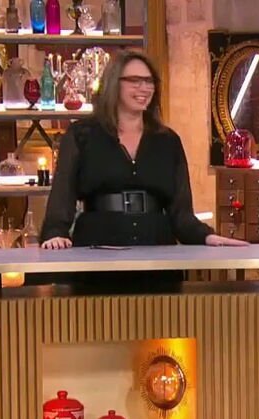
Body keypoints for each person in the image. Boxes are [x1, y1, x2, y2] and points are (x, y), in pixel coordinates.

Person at [39, 50, 246, 287]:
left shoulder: (167, 141)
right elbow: (62, 196)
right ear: (113, 84)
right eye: (135, 81)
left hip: (157, 253)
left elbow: (181, 214)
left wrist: (207, 236)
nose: (144, 88)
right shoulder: (82, 135)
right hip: (97, 252)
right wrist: (55, 233)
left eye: (149, 81)